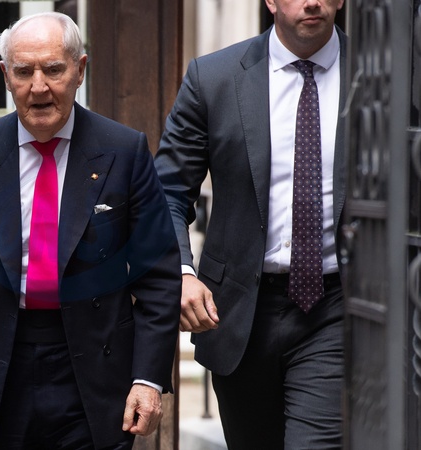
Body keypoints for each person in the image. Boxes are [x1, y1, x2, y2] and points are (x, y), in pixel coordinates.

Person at [0, 12, 181, 450]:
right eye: (24, 71)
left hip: (92, 369)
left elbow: (159, 276)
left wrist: (148, 379)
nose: (39, 87)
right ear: (5, 76)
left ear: (80, 70)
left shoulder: (124, 151)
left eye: (53, 69)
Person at [154, 0, 347, 449]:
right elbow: (167, 191)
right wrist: (180, 272)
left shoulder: (379, 77)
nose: (312, 1)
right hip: (241, 311)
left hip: (335, 307)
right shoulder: (214, 77)